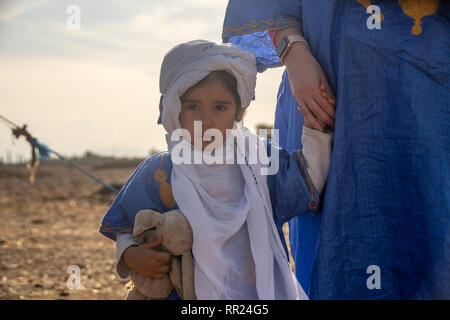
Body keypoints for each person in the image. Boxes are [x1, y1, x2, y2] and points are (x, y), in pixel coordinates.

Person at [222, 0, 449, 299]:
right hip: (328, 95)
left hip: (427, 101)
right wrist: (292, 48)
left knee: (429, 235)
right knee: (334, 250)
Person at [99, 40, 334, 299]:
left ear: (239, 111)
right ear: (174, 109)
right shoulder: (161, 170)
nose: (206, 119)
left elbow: (307, 182)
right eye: (192, 107)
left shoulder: (259, 160)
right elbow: (124, 229)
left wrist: (316, 129)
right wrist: (133, 256)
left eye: (219, 107)